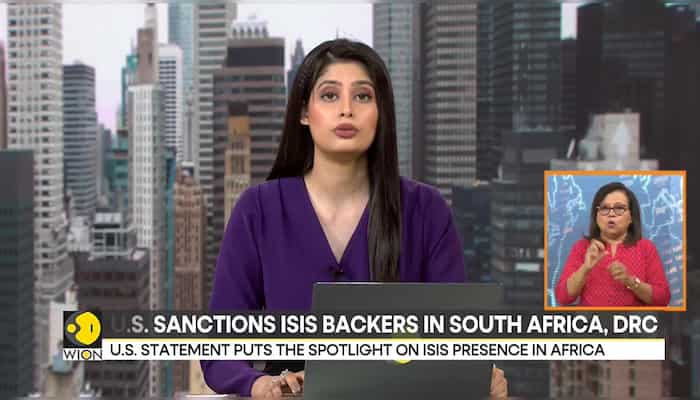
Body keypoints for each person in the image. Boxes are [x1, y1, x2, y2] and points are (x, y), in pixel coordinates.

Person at [200, 39, 508, 398]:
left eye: (362, 96)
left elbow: (455, 341)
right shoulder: (258, 209)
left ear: (380, 113)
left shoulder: (427, 210)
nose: (346, 110)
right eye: (330, 95)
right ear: (304, 112)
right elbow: (219, 348)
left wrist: (478, 375)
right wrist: (259, 384)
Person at [555, 182, 671, 307]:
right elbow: (562, 297)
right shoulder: (582, 247)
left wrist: (630, 281)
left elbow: (662, 298)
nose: (611, 214)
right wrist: (585, 268)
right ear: (596, 216)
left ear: (631, 217)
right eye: (604, 208)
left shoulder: (646, 248)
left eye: (619, 208)